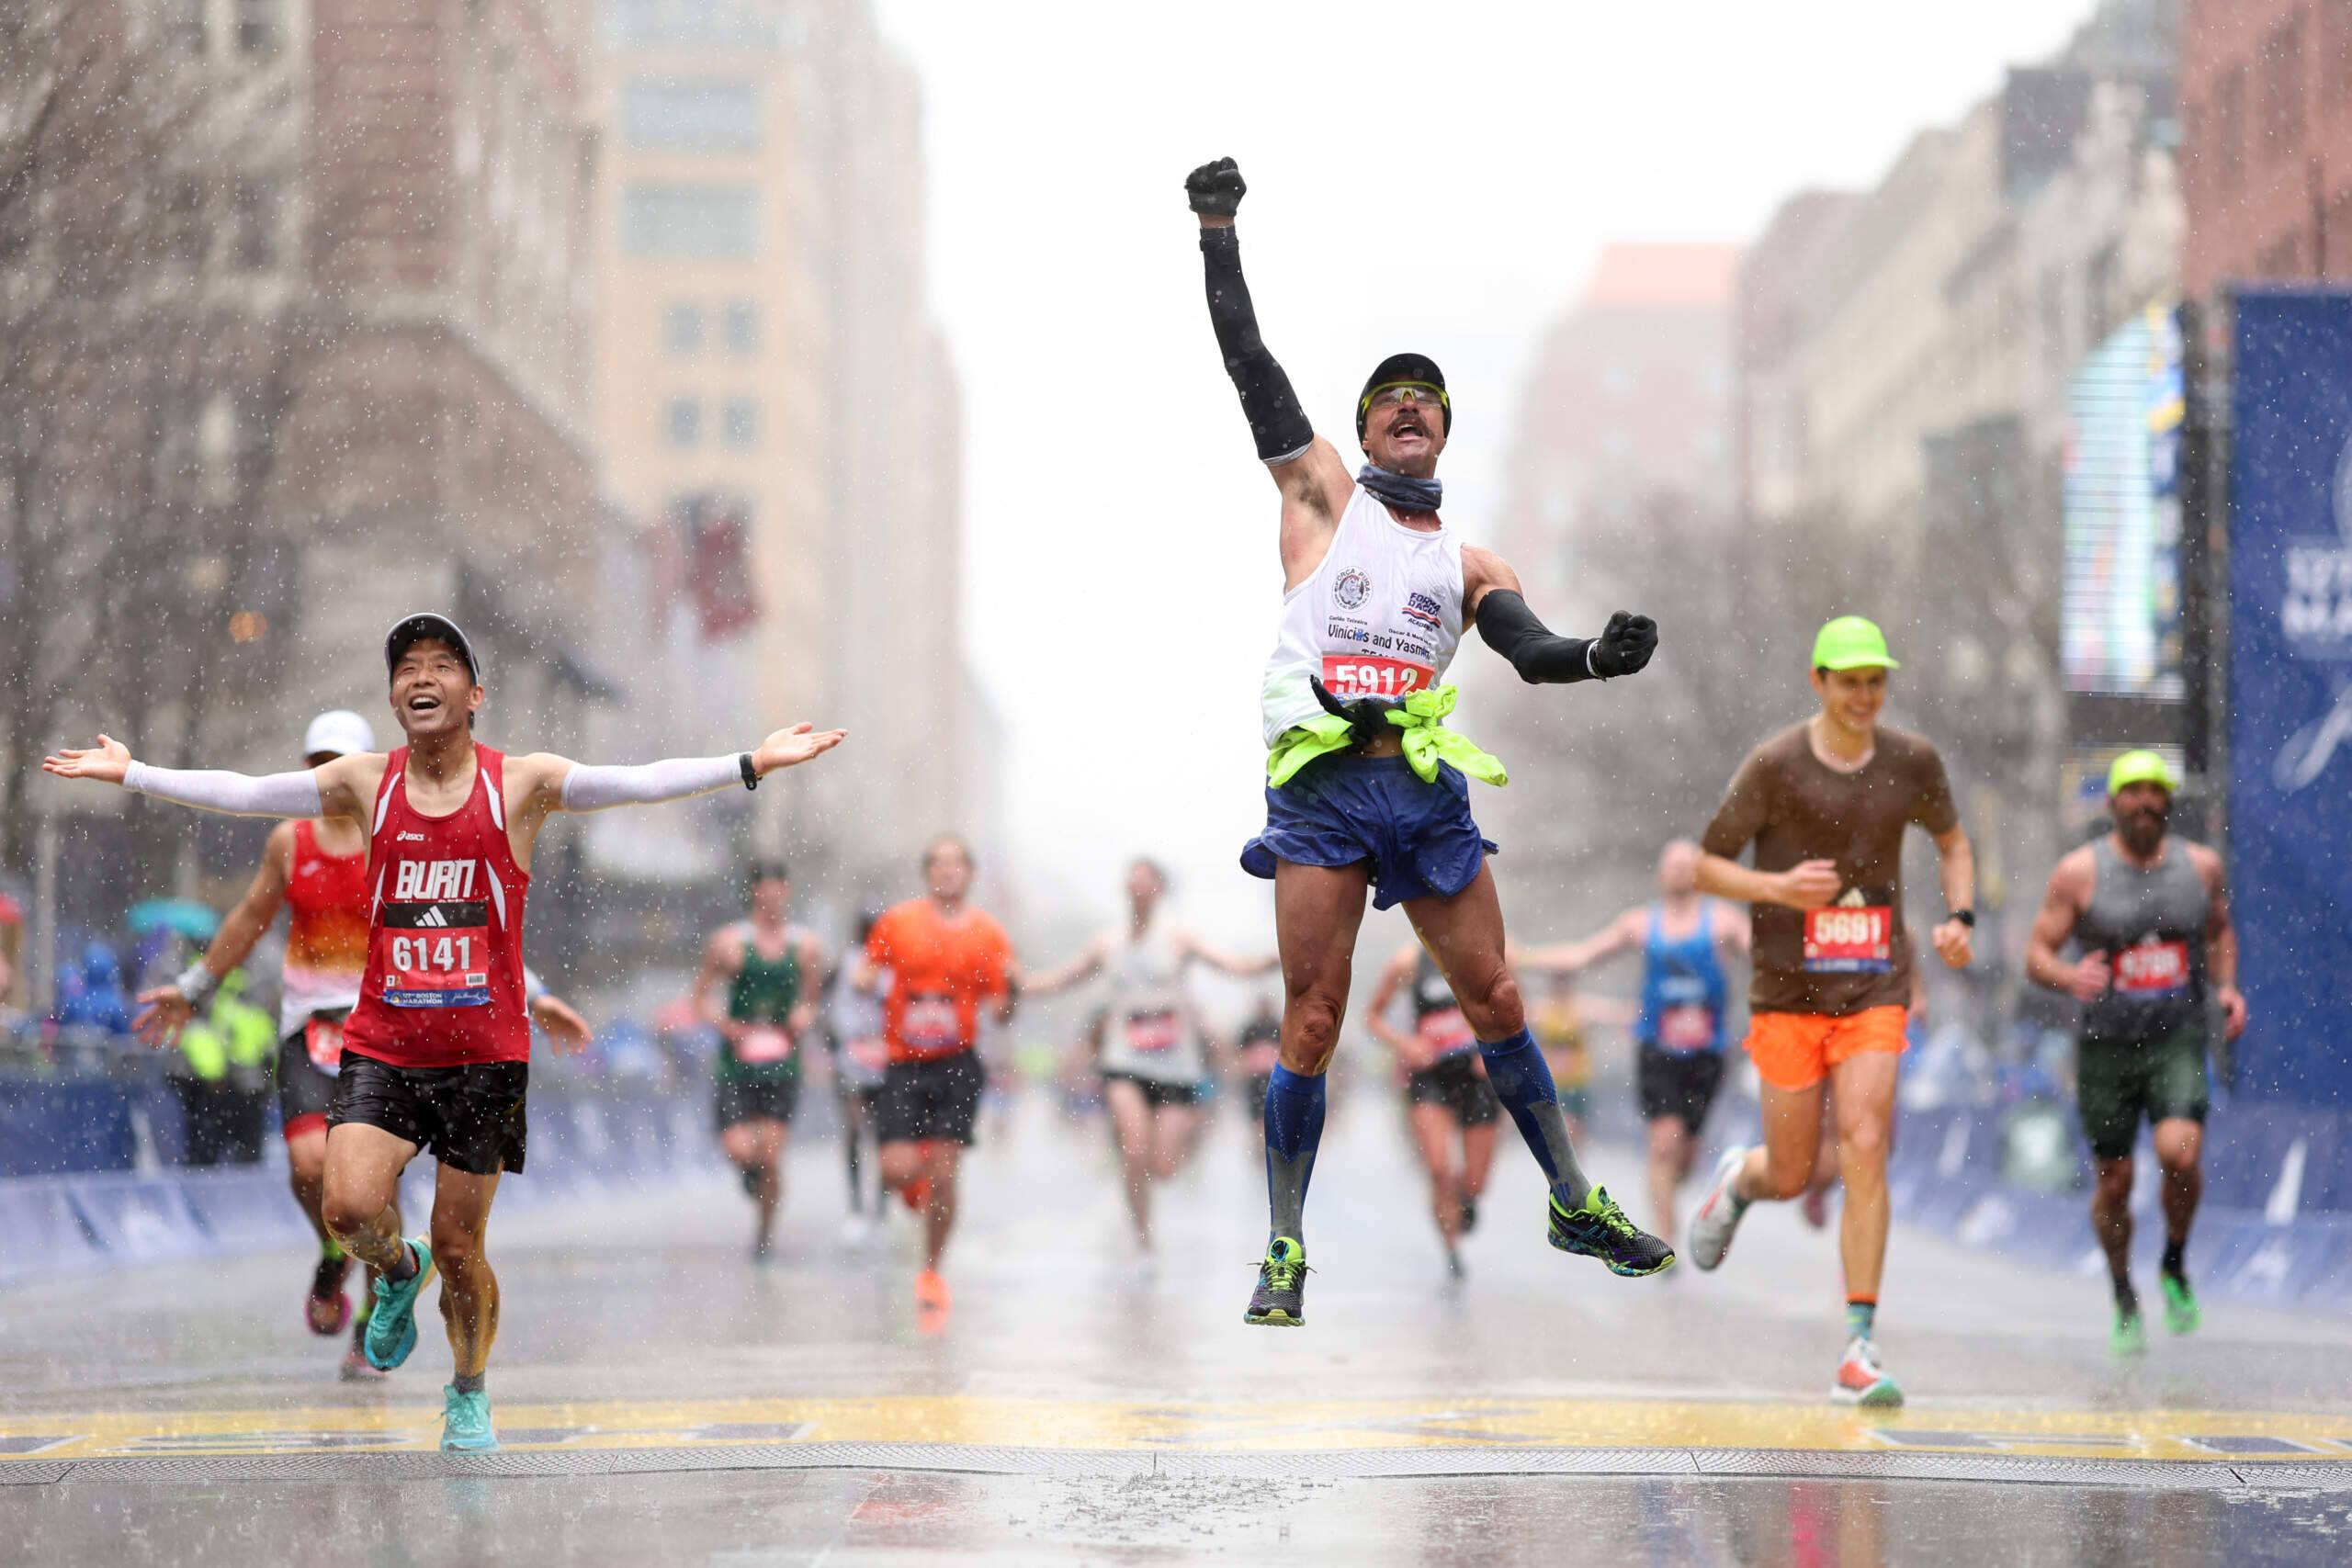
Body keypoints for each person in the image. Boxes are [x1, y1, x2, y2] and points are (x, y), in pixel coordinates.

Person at [45, 612, 842, 1450]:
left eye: (441, 664)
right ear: (394, 697)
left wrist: (748, 763)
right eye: (406, 668)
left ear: (474, 693)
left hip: (484, 1054)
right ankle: (396, 1270)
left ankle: (467, 1387)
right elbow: (246, 792)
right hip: (384, 1041)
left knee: (463, 1247)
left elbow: (636, 780)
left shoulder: (521, 782)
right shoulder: (363, 780)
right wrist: (134, 773)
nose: (421, 678)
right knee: (348, 1203)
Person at [1185, 155, 1673, 1329]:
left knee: (1499, 996)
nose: (1408, 402)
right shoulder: (1319, 499)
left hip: (1417, 788)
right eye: (1388, 395)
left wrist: (1598, 657)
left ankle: (1569, 1200)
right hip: (1319, 791)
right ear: (1361, 429)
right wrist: (1216, 233)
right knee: (1314, 1016)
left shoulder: (1467, 564)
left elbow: (1531, 648)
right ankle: (1285, 1247)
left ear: (1445, 426)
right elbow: (1250, 365)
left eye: (1427, 395)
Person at [137, 710, 595, 1376]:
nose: (328, 774)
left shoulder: (404, 834)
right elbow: (249, 917)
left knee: (374, 1184)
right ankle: (336, 1253)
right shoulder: (289, 843)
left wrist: (538, 991)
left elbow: (467, 921)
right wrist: (195, 984)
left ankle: (370, 1310)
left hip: (391, 1025)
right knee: (308, 1166)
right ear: (308, 771)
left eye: (339, 760)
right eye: (317, 761)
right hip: (309, 1024)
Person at [1680, 616, 1975, 1408]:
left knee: (1866, 1144)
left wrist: (1961, 918)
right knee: (1794, 1168)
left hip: (1876, 980)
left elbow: (1953, 843)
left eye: (1874, 680)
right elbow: (1704, 865)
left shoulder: (1913, 761)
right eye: (1848, 681)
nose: (1863, 695)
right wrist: (1778, 890)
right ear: (1818, 682)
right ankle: (1740, 1183)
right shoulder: (1775, 766)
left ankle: (1859, 1343)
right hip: (1787, 992)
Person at [2024, 750, 2245, 1356]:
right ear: (2114, 802)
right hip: (2105, 1048)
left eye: (2156, 791)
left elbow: (2221, 930)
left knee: (2180, 1150)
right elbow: (2037, 952)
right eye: (2134, 791)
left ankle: (2173, 1262)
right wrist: (2069, 978)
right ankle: (2123, 1292)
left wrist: (2226, 989)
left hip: (2175, 1036)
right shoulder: (2077, 873)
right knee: (2114, 1183)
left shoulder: (2200, 868)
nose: (2146, 801)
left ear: (2169, 802)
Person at [1028, 858, 1276, 1253]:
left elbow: (1232, 965)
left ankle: (1181, 1136)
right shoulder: (1107, 944)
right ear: (1126, 889)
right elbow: (1062, 978)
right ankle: (1143, 1236)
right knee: (1133, 1148)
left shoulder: (1180, 939)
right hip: (1123, 1061)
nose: (1138, 887)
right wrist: (1021, 984)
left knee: (1162, 1167)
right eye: (1133, 880)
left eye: (1147, 880)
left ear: (1160, 890)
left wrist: (1270, 960)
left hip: (1175, 1067)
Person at [1520, 840, 1749, 1240]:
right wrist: (1521, 957)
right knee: (1663, 1143)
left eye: (1688, 865)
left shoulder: (1725, 922)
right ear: (1661, 875)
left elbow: (1765, 960)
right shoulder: (1640, 924)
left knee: (1686, 1155)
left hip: (1707, 1051)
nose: (1680, 871)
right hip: (1657, 1048)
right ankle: (1667, 1239)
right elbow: (1580, 957)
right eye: (1673, 865)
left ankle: (1687, 1191)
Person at [855, 836, 1016, 1316]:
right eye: (939, 864)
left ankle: (930, 1272)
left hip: (957, 1063)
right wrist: (864, 981)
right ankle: (913, 1186)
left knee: (946, 1174)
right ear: (927, 873)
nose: (948, 871)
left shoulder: (989, 933)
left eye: (957, 864)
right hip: (904, 1061)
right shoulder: (897, 921)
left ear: (970, 874)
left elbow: (1000, 1007)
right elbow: (867, 970)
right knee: (895, 1169)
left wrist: (1013, 996)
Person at [691, 863, 827, 1263]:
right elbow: (699, 996)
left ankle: (765, 1233)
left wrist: (803, 1016)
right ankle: (751, 1175)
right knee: (740, 1150)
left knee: (770, 1154)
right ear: (753, 893)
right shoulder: (729, 943)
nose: (771, 898)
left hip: (782, 1062)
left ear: (786, 891)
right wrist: (725, 1025)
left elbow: (811, 999)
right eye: (763, 890)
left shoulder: (805, 946)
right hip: (737, 1063)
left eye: (777, 890)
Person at [1363, 942, 1498, 1276]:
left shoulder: (1483, 947)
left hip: (1476, 1075)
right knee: (1438, 1169)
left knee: (1475, 1183)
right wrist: (1406, 1044)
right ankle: (1451, 1249)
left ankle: (1463, 1199)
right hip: (1430, 1075)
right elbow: (1372, 1016)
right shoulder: (1408, 961)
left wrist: (1493, 1047)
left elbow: (1513, 1005)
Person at [825, 909, 890, 1242]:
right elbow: (824, 1006)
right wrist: (831, 1047)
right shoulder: (842, 964)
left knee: (884, 1135)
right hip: (852, 1056)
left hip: (887, 1058)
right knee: (854, 1129)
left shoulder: (897, 965)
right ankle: (855, 1206)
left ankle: (881, 1206)